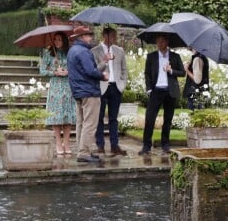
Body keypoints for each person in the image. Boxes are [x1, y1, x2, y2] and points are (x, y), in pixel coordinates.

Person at [67, 25, 108, 163]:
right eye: (88, 35)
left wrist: (103, 62)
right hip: (89, 92)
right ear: (82, 37)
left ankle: (82, 150)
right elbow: (91, 71)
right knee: (90, 123)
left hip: (78, 92)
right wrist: (103, 76)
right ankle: (84, 152)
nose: (91, 38)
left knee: (81, 123)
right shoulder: (83, 52)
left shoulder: (72, 50)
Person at [138, 34, 185, 155]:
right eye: (158, 42)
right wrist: (149, 89)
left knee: (168, 120)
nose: (160, 44)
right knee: (150, 118)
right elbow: (147, 74)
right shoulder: (151, 56)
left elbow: (182, 72)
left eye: (162, 42)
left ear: (167, 42)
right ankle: (146, 146)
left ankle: (165, 145)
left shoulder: (175, 57)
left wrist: (171, 71)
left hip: (170, 91)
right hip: (156, 91)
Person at [91, 27, 129, 156]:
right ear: (103, 35)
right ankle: (100, 145)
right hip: (101, 88)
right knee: (99, 118)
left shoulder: (119, 51)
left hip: (115, 87)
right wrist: (104, 61)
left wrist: (122, 85)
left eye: (113, 36)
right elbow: (94, 70)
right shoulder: (94, 51)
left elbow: (124, 70)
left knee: (114, 118)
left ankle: (114, 145)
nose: (111, 38)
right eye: (109, 36)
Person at [39, 32, 76, 156]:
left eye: (59, 40)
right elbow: (42, 71)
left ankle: (67, 142)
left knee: (67, 116)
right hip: (55, 88)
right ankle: (58, 143)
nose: (57, 42)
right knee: (56, 117)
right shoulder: (48, 53)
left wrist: (68, 72)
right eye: (55, 40)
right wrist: (55, 72)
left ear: (64, 41)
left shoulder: (70, 53)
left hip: (67, 87)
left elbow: (76, 68)